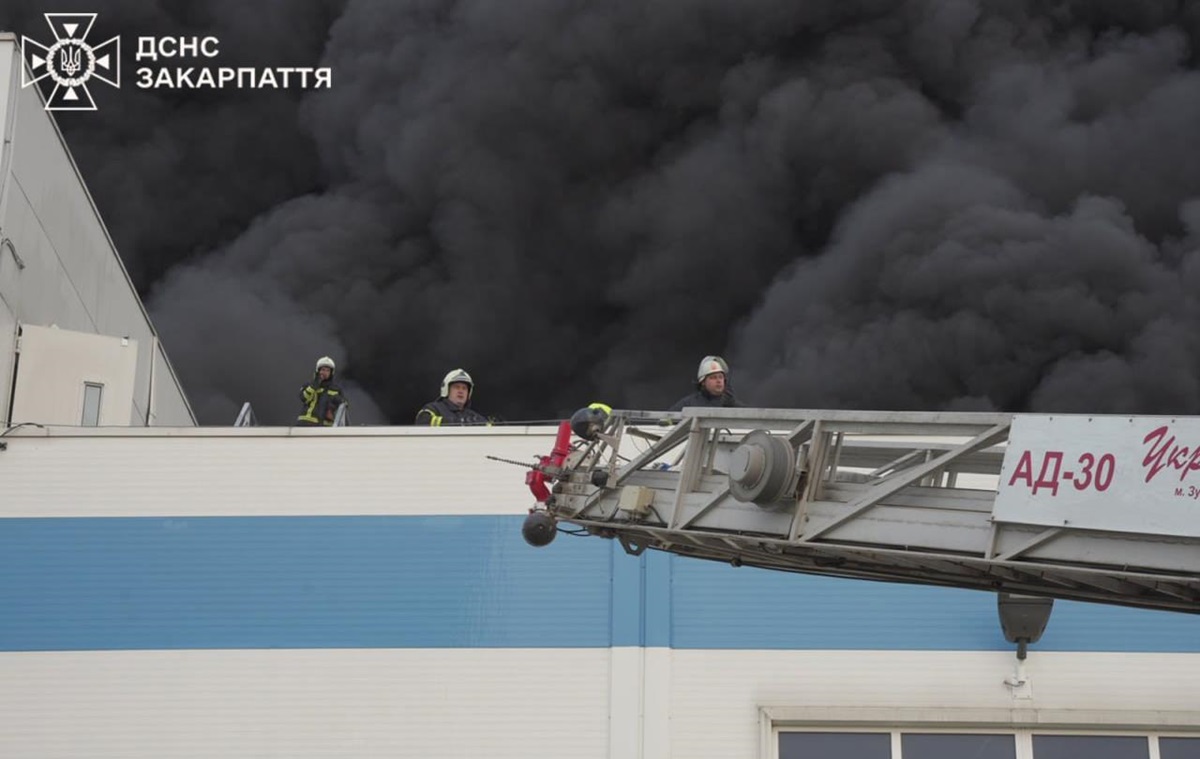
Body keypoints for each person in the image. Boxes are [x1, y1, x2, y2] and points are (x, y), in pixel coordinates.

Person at [415, 368, 492, 426]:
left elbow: (490, 428)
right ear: (446, 390)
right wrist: (458, 422)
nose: (461, 391)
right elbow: (422, 421)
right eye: (456, 387)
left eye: (464, 388)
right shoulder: (434, 408)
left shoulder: (473, 416)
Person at [669, 355, 743, 411]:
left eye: (720, 377)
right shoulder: (688, 404)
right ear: (703, 382)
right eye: (713, 377)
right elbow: (667, 418)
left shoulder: (732, 404)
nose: (718, 381)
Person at [297, 356, 347, 426]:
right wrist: (314, 385)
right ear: (318, 371)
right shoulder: (309, 385)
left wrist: (333, 405)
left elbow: (344, 405)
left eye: (328, 370)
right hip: (306, 424)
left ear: (331, 373)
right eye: (323, 370)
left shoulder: (336, 389)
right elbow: (304, 398)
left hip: (325, 428)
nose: (325, 372)